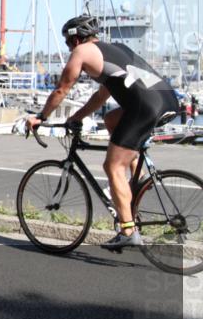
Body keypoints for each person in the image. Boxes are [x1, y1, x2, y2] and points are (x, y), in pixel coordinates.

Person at [26, 15, 179, 250]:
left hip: (144, 108)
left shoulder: (82, 52)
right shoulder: (114, 50)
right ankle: (136, 177)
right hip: (167, 100)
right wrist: (76, 118)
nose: (69, 47)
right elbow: (100, 97)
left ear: (75, 39)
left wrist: (41, 117)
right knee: (110, 120)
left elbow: (61, 90)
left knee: (112, 166)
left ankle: (127, 231)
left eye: (68, 42)